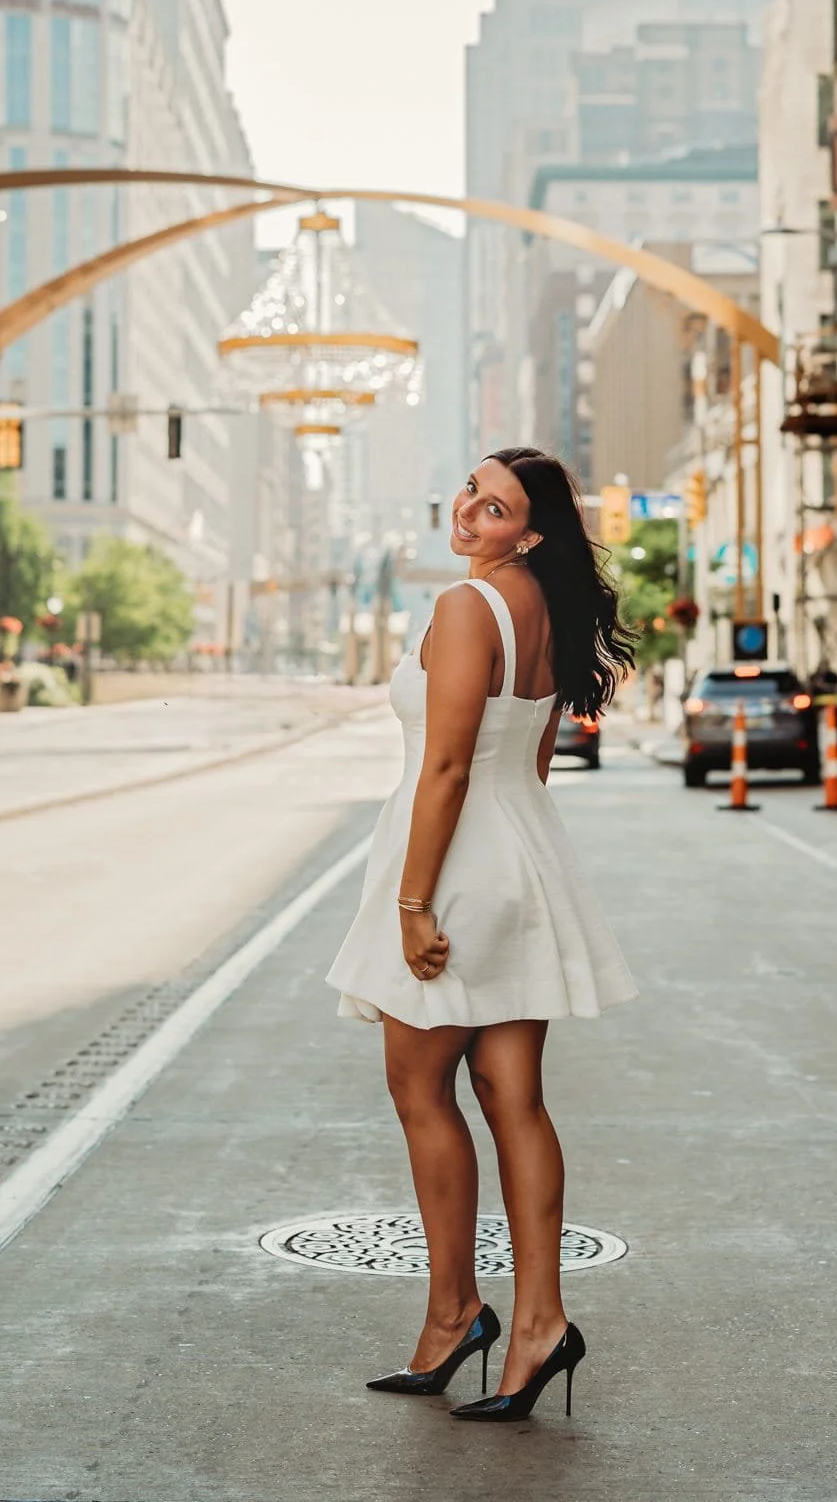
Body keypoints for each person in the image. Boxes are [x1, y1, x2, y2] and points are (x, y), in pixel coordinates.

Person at [327, 448, 638, 1423]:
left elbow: (449, 765)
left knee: (420, 1087)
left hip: (456, 863)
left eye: (493, 504)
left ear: (530, 531)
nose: (467, 508)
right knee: (513, 1097)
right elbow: (531, 757)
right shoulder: (545, 612)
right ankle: (537, 1322)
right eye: (469, 488)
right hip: (517, 856)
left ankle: (457, 1310)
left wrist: (414, 903)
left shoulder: (469, 608)